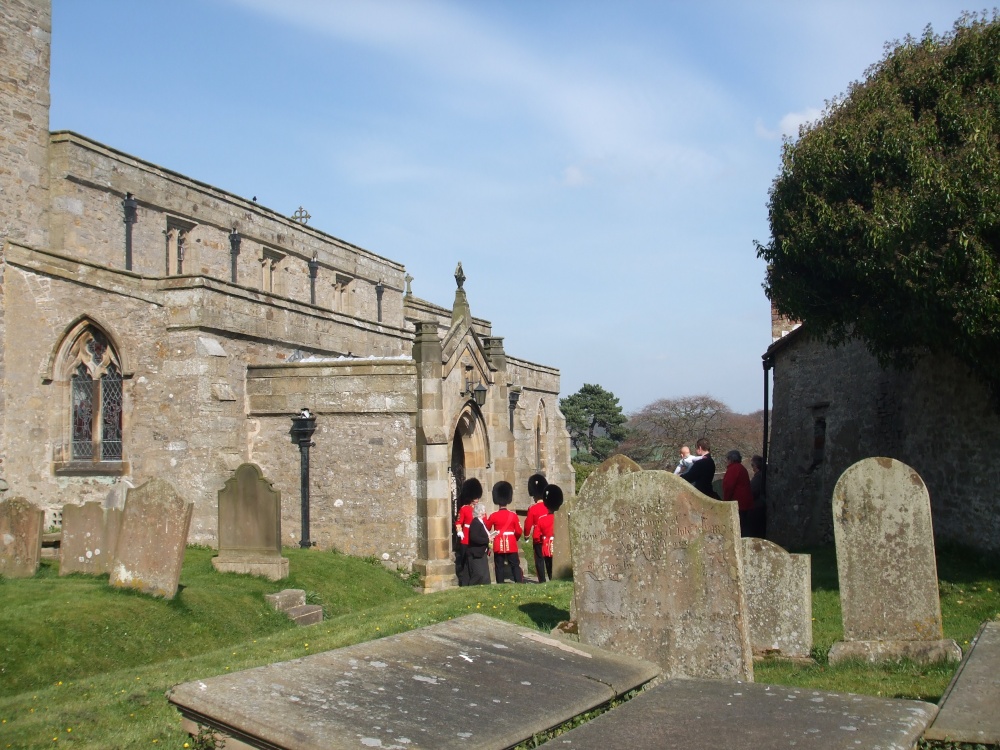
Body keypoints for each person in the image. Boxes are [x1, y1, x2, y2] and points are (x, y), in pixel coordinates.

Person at [488, 481, 523, 583]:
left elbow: (488, 527)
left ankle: (500, 583)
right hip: (511, 542)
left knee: (499, 565)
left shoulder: (494, 515)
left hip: (499, 542)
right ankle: (519, 582)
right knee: (515, 564)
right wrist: (514, 538)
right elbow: (518, 531)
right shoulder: (513, 515)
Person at [454, 478, 482, 586]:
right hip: (466, 538)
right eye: (475, 497)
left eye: (477, 497)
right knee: (465, 561)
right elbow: (458, 522)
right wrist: (459, 532)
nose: (477, 500)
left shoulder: (479, 509)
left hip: (476, 538)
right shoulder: (464, 509)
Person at [522, 473, 549, 582]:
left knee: (539, 559)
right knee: (549, 558)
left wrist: (527, 535)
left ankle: (542, 580)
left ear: (535, 496)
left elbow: (528, 523)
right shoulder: (549, 505)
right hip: (549, 536)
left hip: (538, 537)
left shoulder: (532, 508)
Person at [722, 450, 754, 537]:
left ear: (730, 459)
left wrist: (726, 501)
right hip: (745, 502)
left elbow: (729, 486)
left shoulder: (733, 469)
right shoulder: (741, 468)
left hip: (738, 503)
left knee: (739, 527)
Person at [535, 484, 564, 581]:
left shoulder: (542, 519)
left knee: (549, 567)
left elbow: (536, 536)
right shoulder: (562, 518)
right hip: (560, 546)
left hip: (547, 547)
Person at [466, 500, 495, 585]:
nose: (485, 513)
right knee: (478, 574)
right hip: (476, 552)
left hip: (482, 551)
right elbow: (474, 537)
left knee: (485, 576)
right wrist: (487, 539)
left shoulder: (481, 522)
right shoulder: (475, 522)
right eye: (483, 511)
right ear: (480, 512)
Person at [748, 455, 767, 538]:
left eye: (753, 465)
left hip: (758, 506)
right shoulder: (762, 475)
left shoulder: (759, 477)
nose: (752, 468)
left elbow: (752, 491)